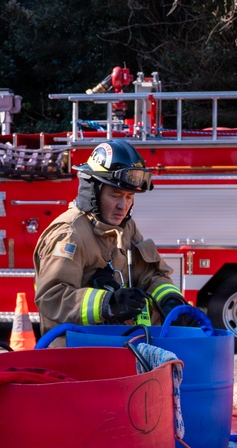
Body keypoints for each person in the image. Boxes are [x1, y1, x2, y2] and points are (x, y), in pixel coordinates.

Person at [33, 139, 194, 334]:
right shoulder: (69, 235)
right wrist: (108, 303)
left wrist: (171, 302)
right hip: (73, 351)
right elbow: (52, 297)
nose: (123, 206)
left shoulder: (125, 227)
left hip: (115, 344)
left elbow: (150, 275)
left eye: (129, 197)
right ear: (92, 192)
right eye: (115, 195)